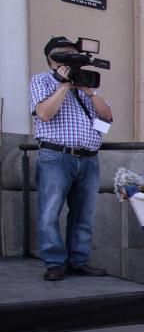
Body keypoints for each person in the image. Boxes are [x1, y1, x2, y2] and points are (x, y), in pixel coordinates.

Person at [29, 36, 114, 281]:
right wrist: (63, 85)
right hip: (56, 156)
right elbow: (44, 113)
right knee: (50, 212)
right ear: (51, 59)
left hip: (89, 159)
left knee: (84, 213)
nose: (70, 55)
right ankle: (55, 263)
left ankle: (79, 260)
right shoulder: (41, 81)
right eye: (64, 52)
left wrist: (88, 91)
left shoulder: (86, 85)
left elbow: (107, 117)